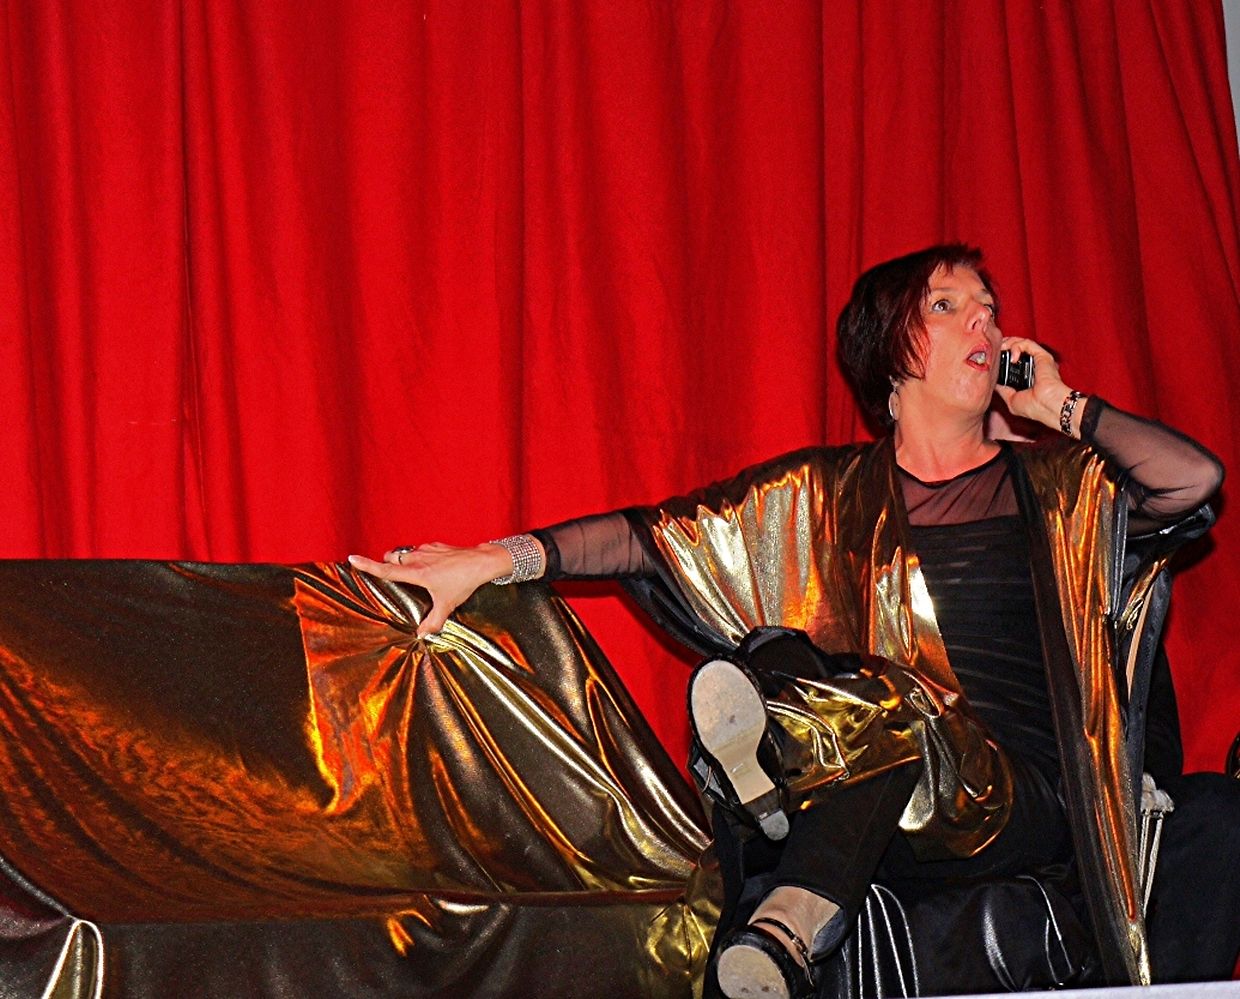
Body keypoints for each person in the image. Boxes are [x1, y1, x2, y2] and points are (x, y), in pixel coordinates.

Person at [349, 245, 1224, 999]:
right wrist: (488, 560)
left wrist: (1062, 407)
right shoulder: (825, 494)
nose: (984, 323)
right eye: (948, 305)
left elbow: (1192, 482)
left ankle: (781, 841)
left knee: (886, 699)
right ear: (891, 352)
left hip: (1023, 800)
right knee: (783, 657)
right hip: (892, 799)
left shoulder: (1057, 485)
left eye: (990, 308)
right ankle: (776, 816)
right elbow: (652, 538)